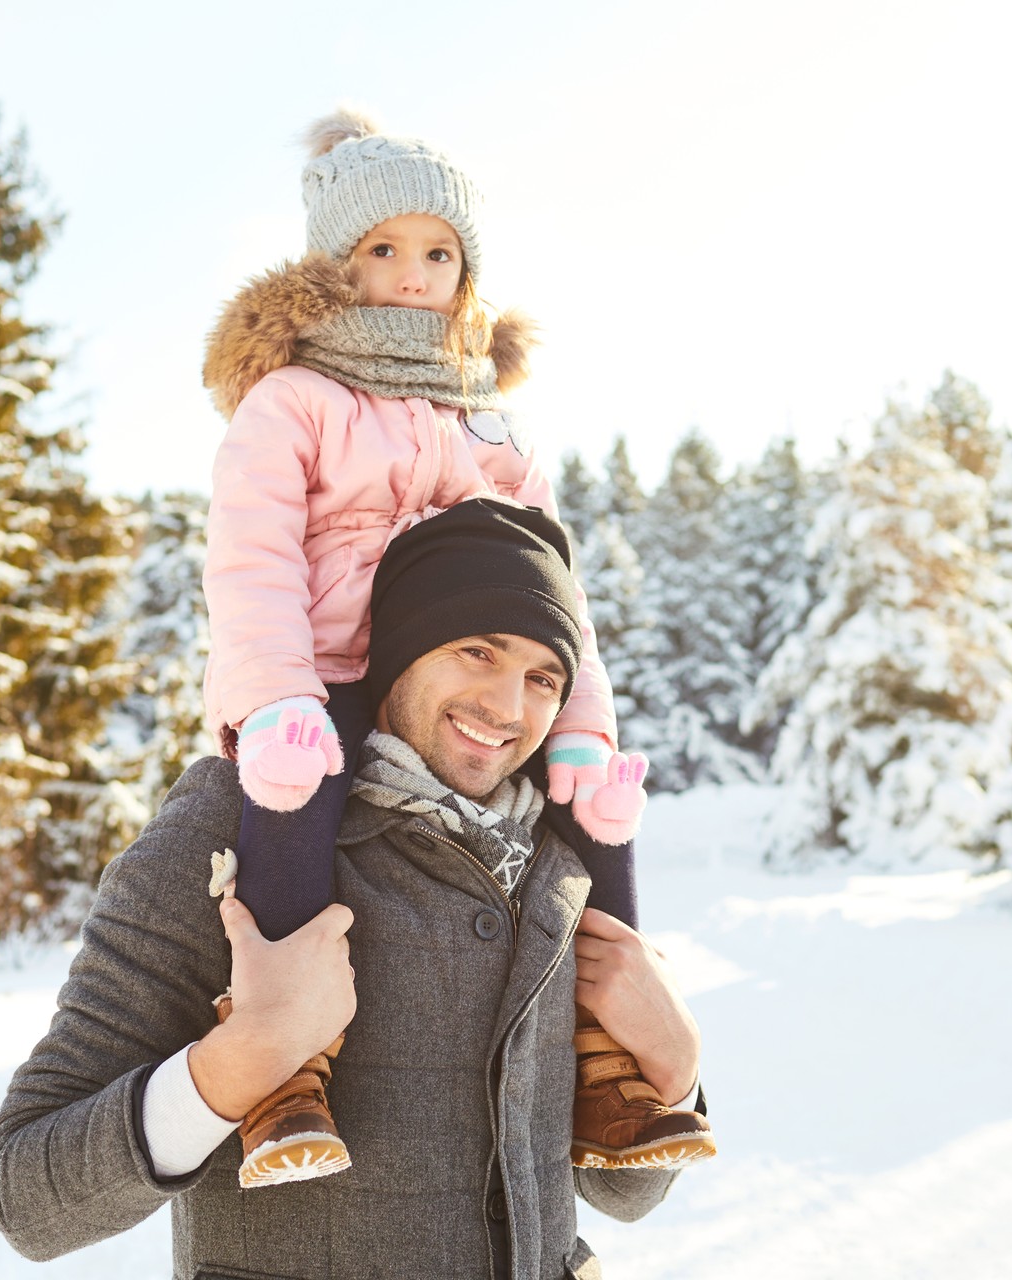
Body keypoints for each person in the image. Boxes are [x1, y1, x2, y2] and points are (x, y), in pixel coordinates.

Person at [0, 500, 711, 1279]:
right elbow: (28, 1196)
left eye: (543, 677)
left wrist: (676, 1062)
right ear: (402, 647)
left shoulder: (561, 859)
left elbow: (626, 1194)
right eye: (476, 650)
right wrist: (247, 1056)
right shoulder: (242, 825)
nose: (508, 708)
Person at [194, 107, 705, 1185]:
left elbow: (559, 598)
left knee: (597, 803)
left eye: (438, 252)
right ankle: (287, 1064)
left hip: (463, 679)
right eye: (383, 249)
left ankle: (614, 1071)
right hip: (324, 675)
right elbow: (252, 556)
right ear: (336, 264)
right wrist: (275, 695)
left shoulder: (494, 424)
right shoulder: (297, 402)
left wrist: (580, 727)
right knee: (298, 795)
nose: (414, 272)